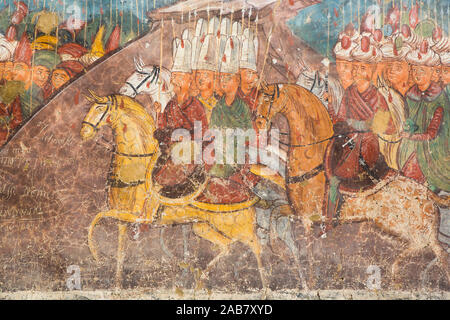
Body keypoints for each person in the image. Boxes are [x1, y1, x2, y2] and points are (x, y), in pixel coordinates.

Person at [322, 35, 396, 235]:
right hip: (350, 141)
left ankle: (328, 221)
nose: (356, 72)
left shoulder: (377, 96)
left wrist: (358, 125)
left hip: (367, 146)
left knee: (335, 179)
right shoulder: (350, 92)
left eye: (361, 68)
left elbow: (383, 126)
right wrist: (330, 110)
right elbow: (341, 119)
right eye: (355, 67)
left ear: (370, 72)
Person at [151, 30, 208, 201]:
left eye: (179, 77)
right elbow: (164, 128)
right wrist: (159, 113)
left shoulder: (196, 106)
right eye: (174, 76)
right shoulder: (171, 104)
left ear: (189, 80)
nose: (175, 80)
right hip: (171, 149)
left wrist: (186, 139)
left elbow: (202, 132)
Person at [398, 42, 449, 192]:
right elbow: (410, 118)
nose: (417, 74)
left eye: (422, 70)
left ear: (432, 72)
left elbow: (432, 134)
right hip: (413, 145)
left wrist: (411, 136)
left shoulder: (438, 97)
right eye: (415, 70)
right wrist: (408, 125)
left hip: (433, 150)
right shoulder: (411, 94)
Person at [237, 28, 259, 114]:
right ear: (239, 73)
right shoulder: (233, 94)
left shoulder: (259, 95)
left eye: (253, 73)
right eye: (248, 73)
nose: (252, 78)